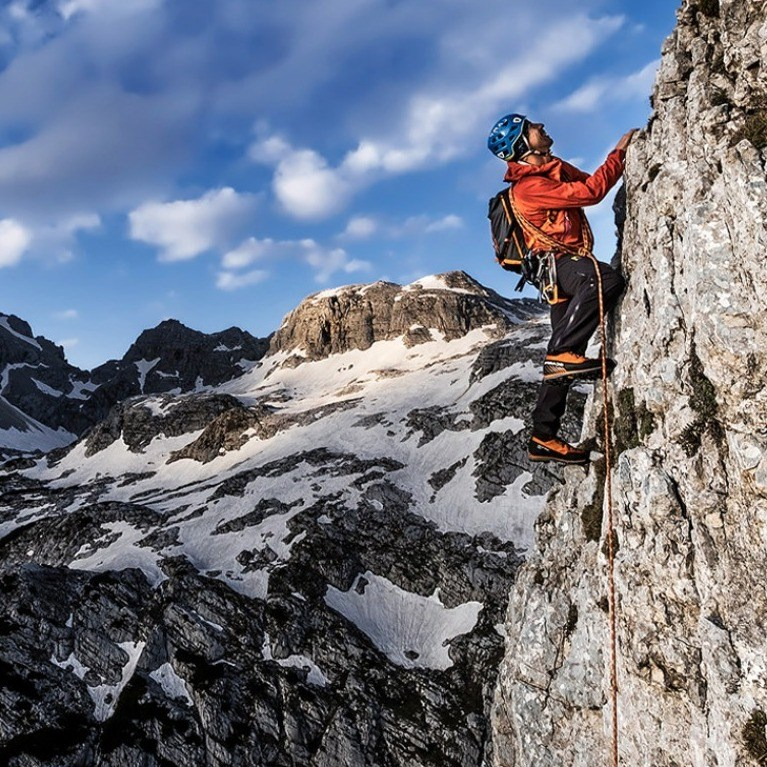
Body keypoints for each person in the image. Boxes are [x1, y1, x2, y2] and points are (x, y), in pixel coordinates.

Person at [487, 113, 637, 465]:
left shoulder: (550, 170)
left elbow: (586, 184)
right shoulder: (529, 187)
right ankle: (564, 356)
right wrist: (617, 155)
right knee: (602, 279)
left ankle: (543, 437)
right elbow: (591, 192)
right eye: (531, 127)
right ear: (523, 144)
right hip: (560, 263)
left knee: (559, 359)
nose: (540, 126)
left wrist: (566, 168)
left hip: (556, 274)